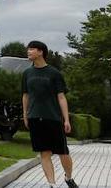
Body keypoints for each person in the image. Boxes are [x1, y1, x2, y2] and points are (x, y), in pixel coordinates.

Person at [22, 40, 78, 188]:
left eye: (32, 49)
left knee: (63, 152)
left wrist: (66, 119)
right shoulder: (27, 73)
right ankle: (51, 184)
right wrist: (25, 115)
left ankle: (68, 177)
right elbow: (25, 96)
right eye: (28, 49)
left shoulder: (54, 73)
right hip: (35, 117)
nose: (28, 52)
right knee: (44, 153)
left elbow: (61, 97)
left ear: (41, 52)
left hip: (53, 117)